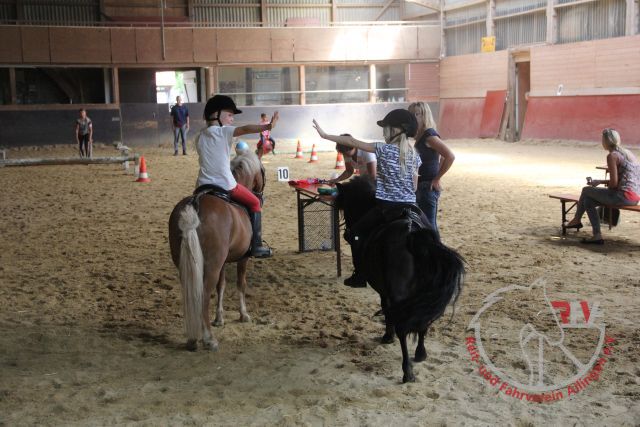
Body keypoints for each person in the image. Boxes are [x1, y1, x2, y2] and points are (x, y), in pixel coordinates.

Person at [313, 109, 425, 287]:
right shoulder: (415, 155)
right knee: (431, 235)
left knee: (355, 233)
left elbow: (352, 141)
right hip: (412, 207)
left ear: (396, 130)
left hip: (386, 207)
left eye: (386, 129)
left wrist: (325, 135)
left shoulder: (383, 148)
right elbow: (414, 187)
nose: (384, 133)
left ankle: (360, 275)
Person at [196, 95, 278, 258]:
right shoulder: (223, 132)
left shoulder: (200, 136)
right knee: (255, 203)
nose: (232, 119)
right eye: (229, 115)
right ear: (216, 115)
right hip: (225, 184)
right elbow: (246, 129)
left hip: (202, 186)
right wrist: (268, 126)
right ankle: (256, 245)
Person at [565, 128, 640, 244]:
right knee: (588, 201)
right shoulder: (628, 153)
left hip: (623, 196)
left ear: (605, 141)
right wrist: (600, 182)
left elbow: (614, 184)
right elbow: (623, 180)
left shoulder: (612, 156)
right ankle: (597, 236)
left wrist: (605, 188)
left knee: (586, 190)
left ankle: (576, 219)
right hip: (634, 197)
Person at [408, 102, 455, 240]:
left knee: (429, 226)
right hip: (423, 185)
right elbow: (441, 158)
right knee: (424, 224)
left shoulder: (429, 136)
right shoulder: (422, 136)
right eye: (411, 115)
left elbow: (450, 156)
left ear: (424, 116)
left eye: (417, 114)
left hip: (427, 187)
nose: (413, 118)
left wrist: (436, 178)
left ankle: (436, 250)